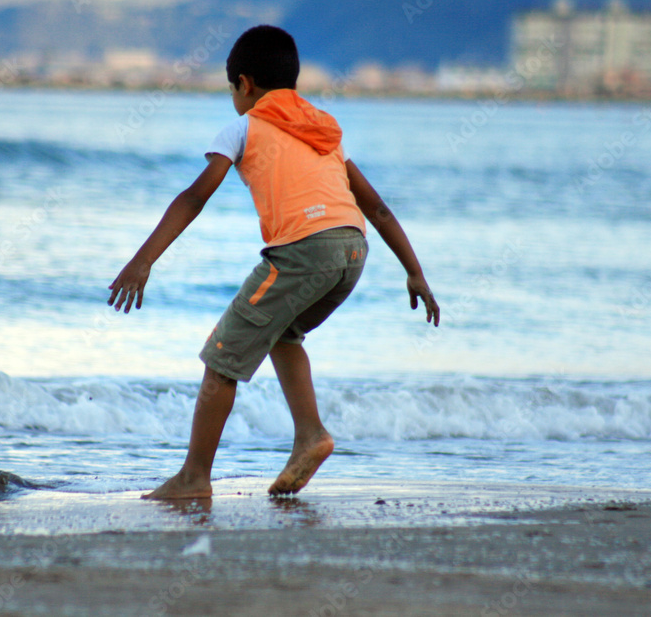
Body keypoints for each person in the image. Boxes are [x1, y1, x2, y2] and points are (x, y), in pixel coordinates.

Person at [108, 25, 439, 500]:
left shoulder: (244, 127)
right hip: (352, 250)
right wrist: (415, 272)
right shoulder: (324, 129)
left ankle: (194, 478)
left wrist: (143, 261)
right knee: (282, 333)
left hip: (305, 250)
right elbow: (377, 207)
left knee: (222, 357)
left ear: (244, 84)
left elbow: (195, 197)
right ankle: (310, 435)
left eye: (232, 91)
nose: (234, 99)